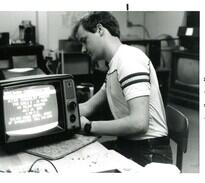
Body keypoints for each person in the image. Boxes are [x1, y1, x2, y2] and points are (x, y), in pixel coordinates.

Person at [72, 11, 172, 166]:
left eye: (84, 41)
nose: (83, 50)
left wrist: (89, 126)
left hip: (150, 153)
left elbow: (139, 123)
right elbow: (88, 107)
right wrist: (60, 117)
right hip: (131, 145)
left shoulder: (128, 59)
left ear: (100, 30)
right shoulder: (115, 64)